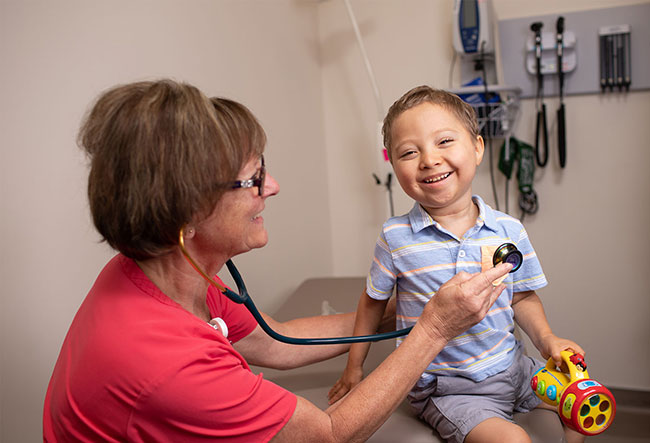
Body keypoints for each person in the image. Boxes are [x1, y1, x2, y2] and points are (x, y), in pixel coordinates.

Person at [43, 79, 514, 442]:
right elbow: (327, 434)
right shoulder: (163, 359)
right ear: (187, 209)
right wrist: (432, 328)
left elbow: (277, 346)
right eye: (254, 178)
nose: (272, 187)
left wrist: (407, 303)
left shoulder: (158, 274)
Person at [327, 86, 585, 443]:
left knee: (583, 403)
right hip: (448, 387)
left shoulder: (507, 229)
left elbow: (521, 298)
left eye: (444, 141)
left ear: (477, 147)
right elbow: (372, 303)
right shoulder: (396, 237)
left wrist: (547, 340)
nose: (429, 159)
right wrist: (354, 368)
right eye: (409, 152)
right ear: (391, 162)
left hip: (514, 367)